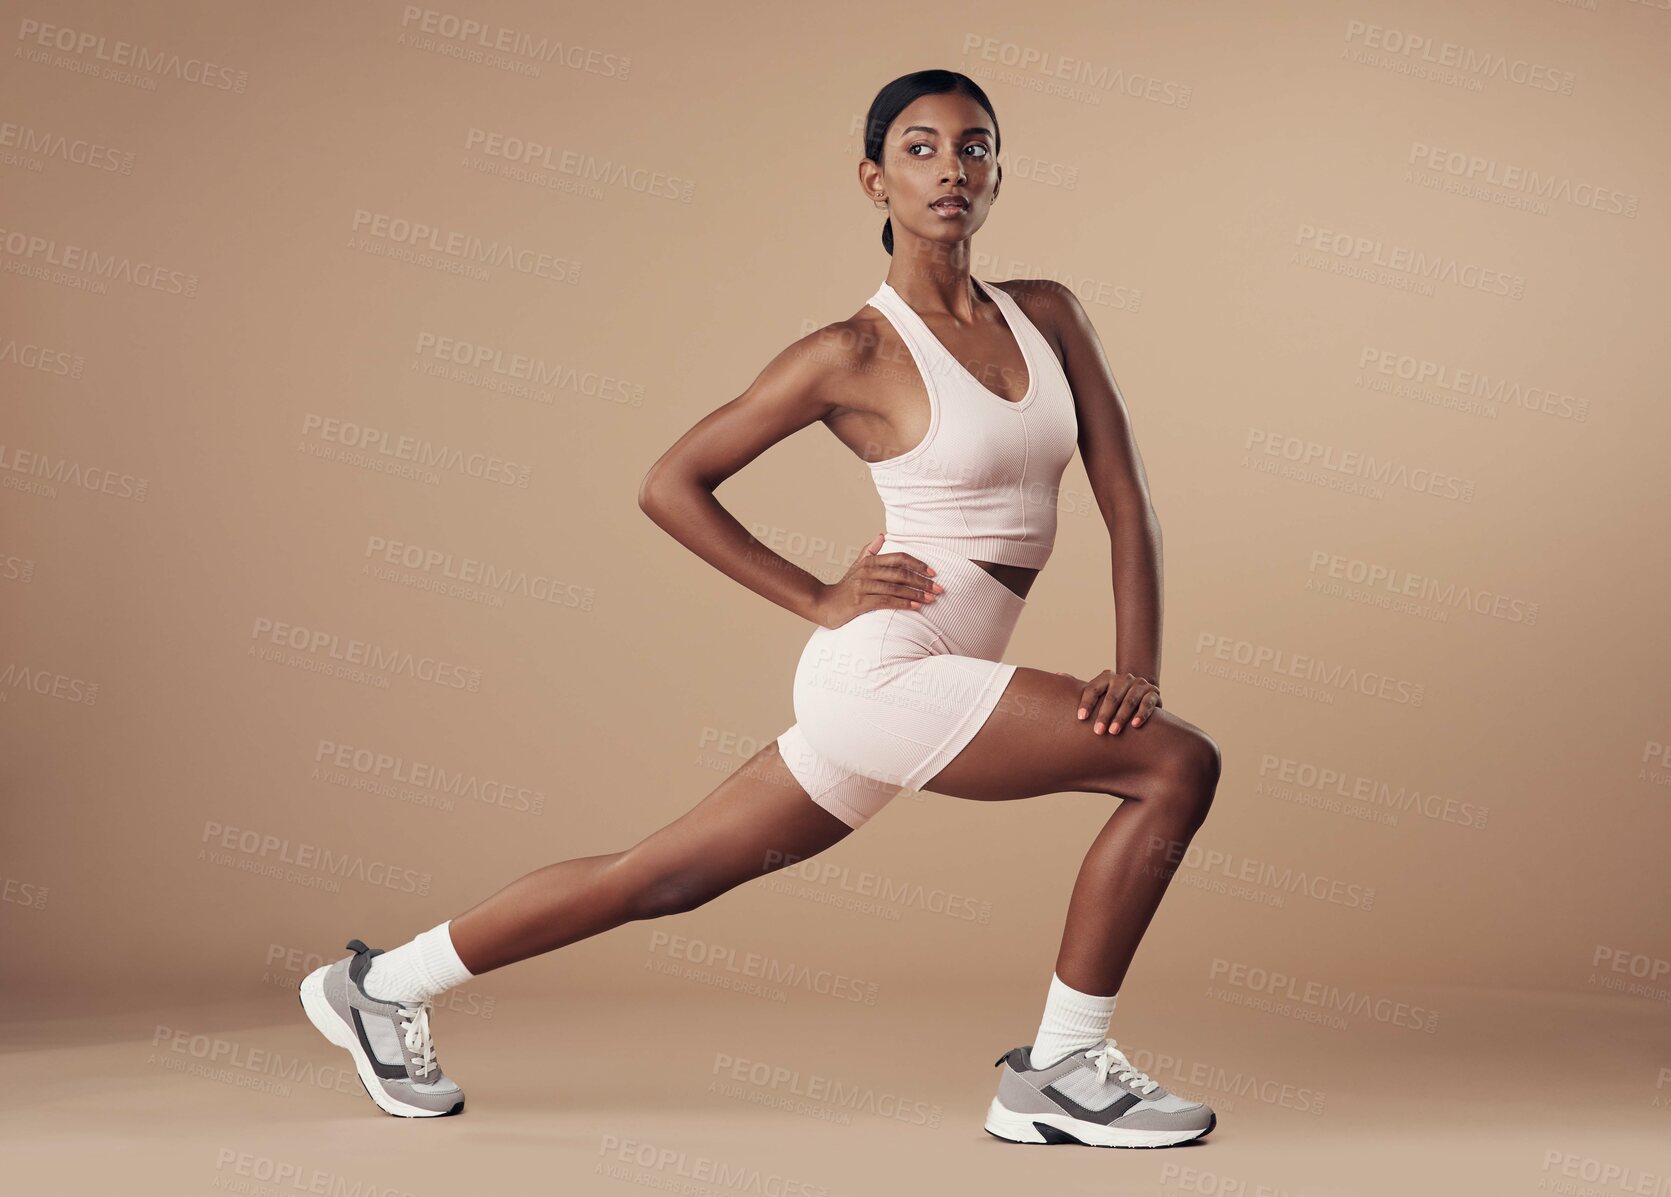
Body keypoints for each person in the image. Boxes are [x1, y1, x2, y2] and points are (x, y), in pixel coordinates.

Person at [299, 68, 1222, 1148]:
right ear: (874, 179)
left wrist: (1136, 662)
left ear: (998, 172)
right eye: (920, 149)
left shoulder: (1050, 315)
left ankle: (379, 986)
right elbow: (670, 483)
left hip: (932, 672)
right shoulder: (853, 352)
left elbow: (1125, 497)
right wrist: (819, 597)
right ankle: (1061, 1069)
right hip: (884, 673)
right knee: (1174, 765)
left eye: (974, 147)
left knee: (664, 878)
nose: (951, 170)